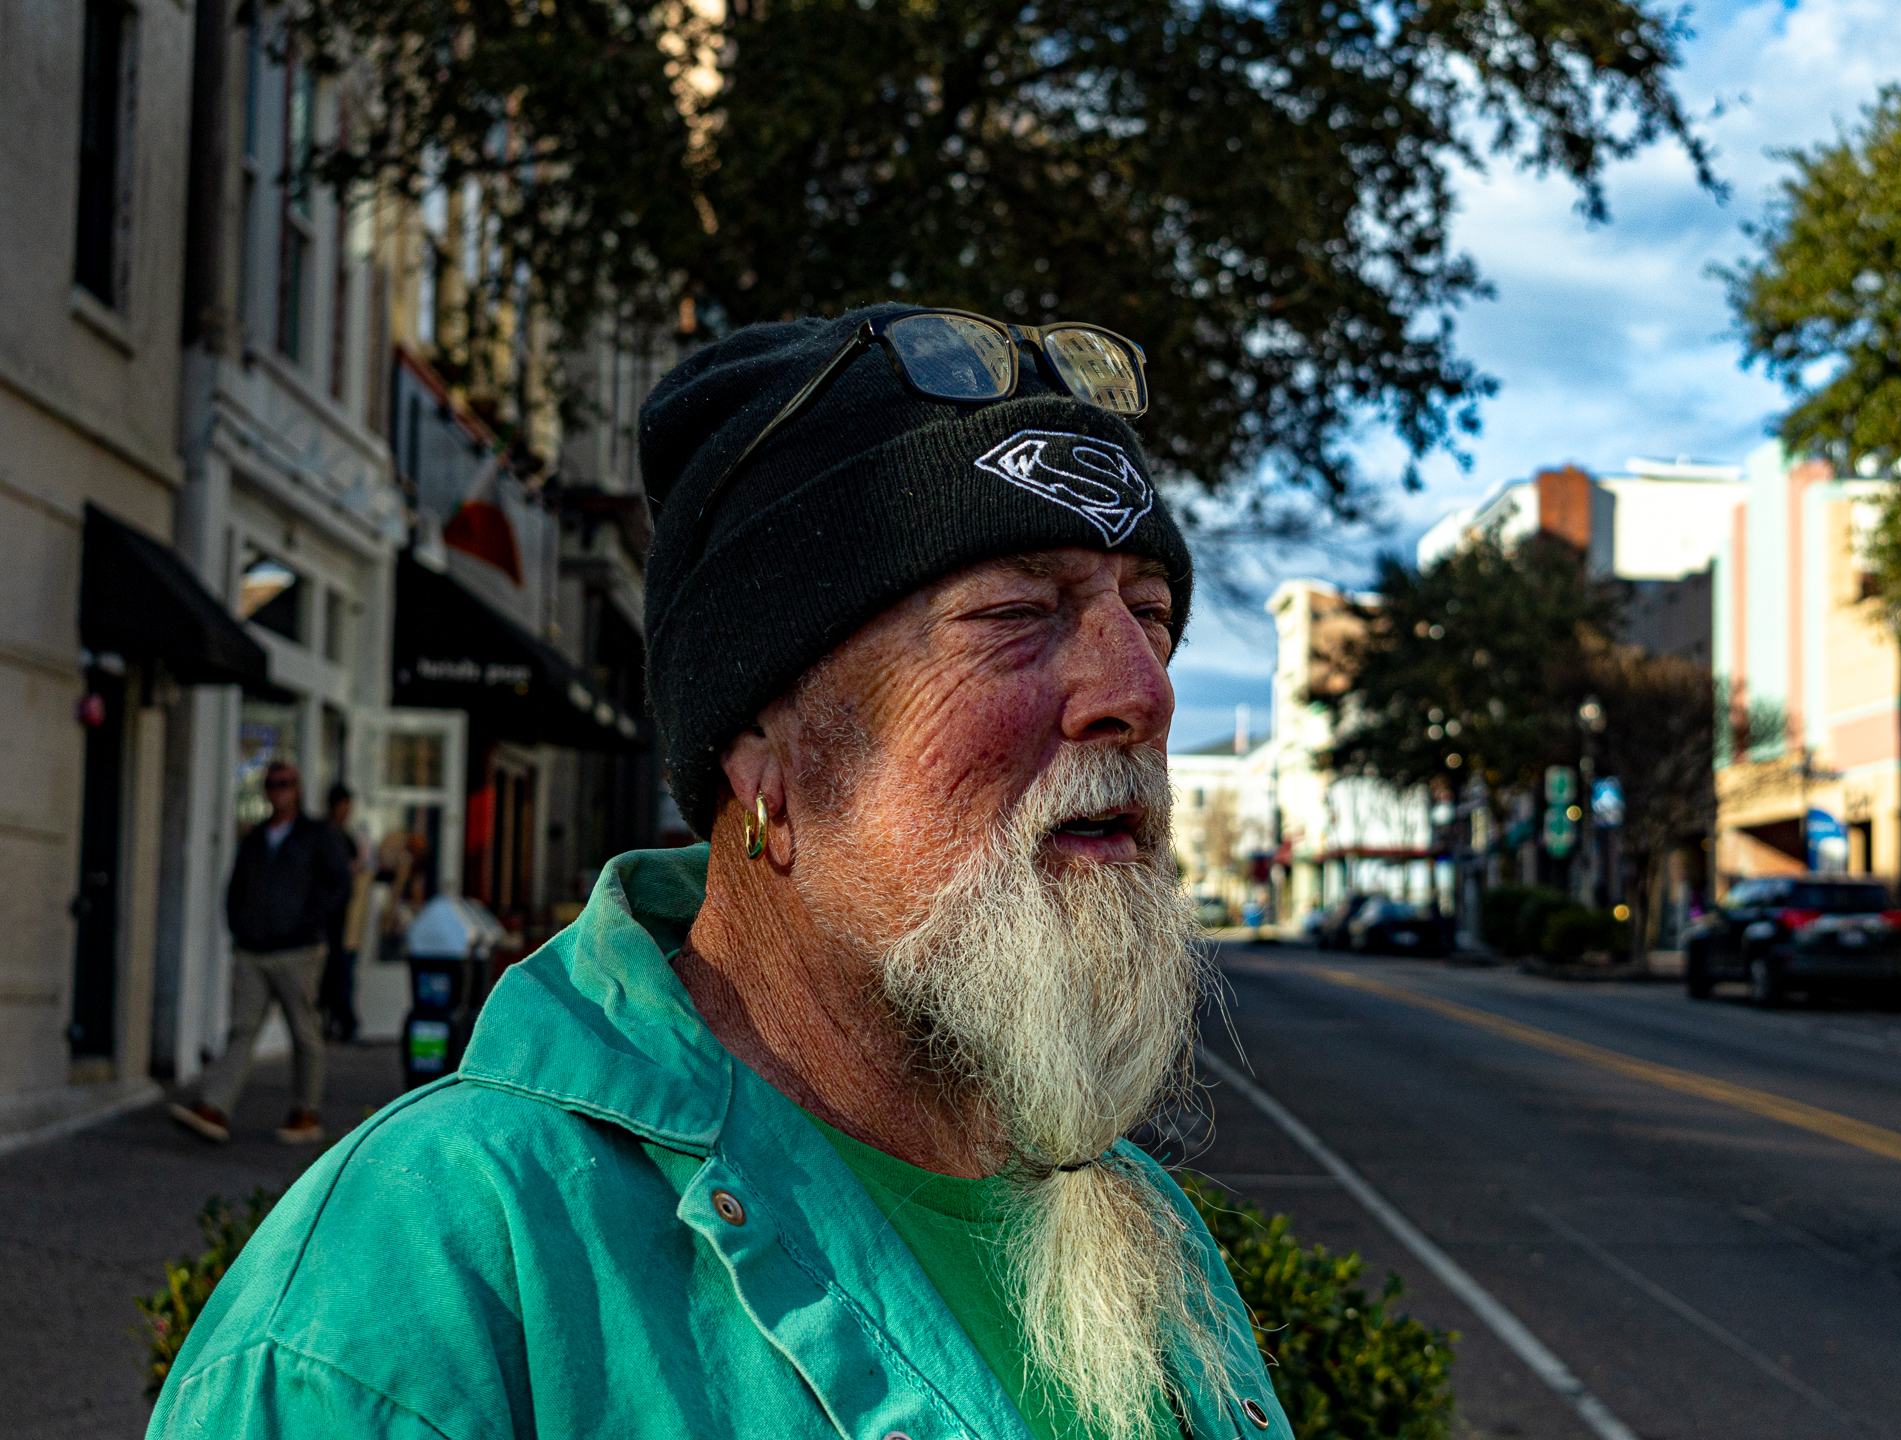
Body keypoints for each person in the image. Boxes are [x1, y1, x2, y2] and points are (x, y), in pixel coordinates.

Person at [147, 305, 1285, 1440]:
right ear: (762, 751)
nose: (1141, 691)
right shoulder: (423, 1279)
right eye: (1015, 614)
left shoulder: (1142, 1227)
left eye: (1152, 615)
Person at [169, 761, 353, 1145]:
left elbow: (339, 885)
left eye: (286, 783)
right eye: (272, 784)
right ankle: (215, 1108)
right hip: (253, 951)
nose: (278, 790)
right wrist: (239, 927)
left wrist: (309, 925)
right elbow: (234, 887)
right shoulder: (254, 839)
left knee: (303, 1031)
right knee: (242, 1030)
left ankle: (306, 1112)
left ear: (298, 789)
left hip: (298, 951)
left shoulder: (317, 835)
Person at [315, 782, 366, 1043]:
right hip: (328, 918)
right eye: (343, 806)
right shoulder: (325, 836)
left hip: (344, 918)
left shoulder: (345, 837)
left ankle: (341, 1020)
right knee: (331, 972)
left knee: (342, 970)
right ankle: (334, 1020)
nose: (346, 812)